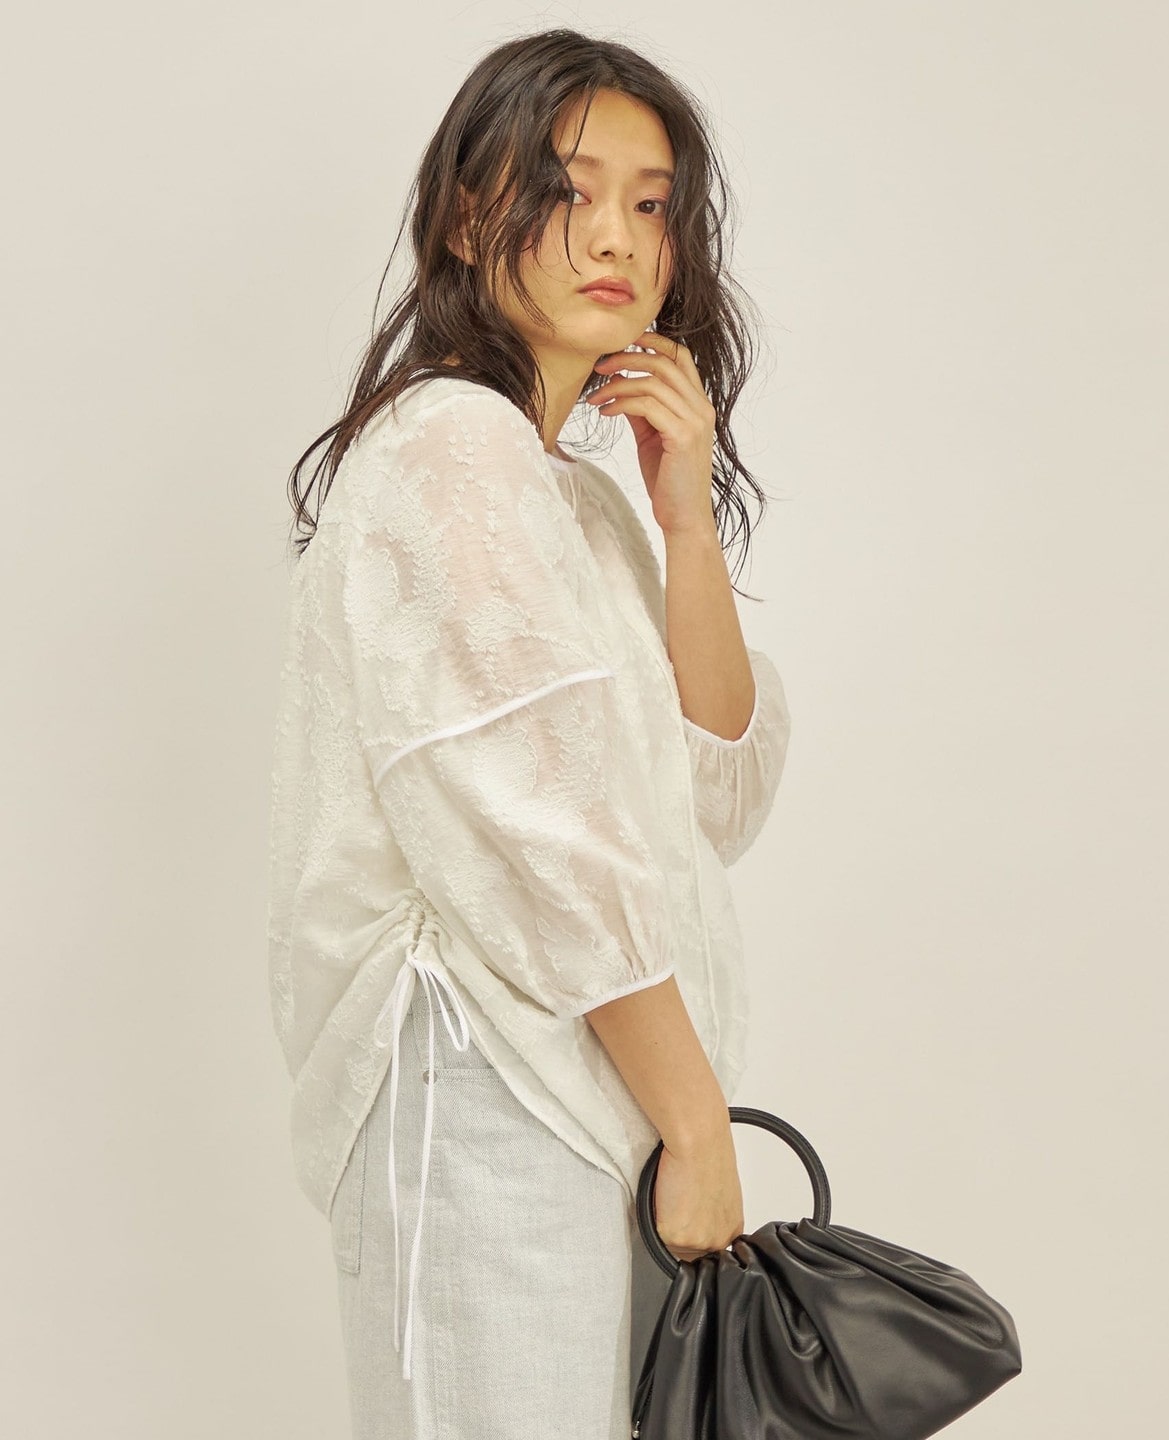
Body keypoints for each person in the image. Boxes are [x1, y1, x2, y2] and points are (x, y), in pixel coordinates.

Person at [266, 26, 792, 1440]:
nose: (616, 235)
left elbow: (718, 797)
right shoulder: (451, 448)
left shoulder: (579, 499)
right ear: (466, 215)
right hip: (486, 1080)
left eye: (652, 202)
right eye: (569, 189)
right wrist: (697, 1122)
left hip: (596, 1086)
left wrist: (686, 521)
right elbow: (543, 844)